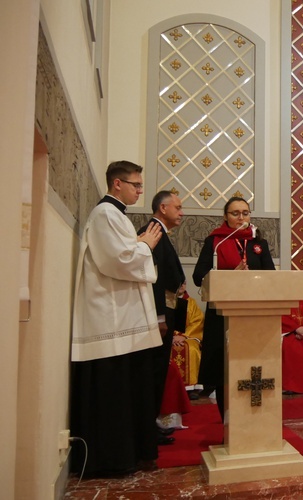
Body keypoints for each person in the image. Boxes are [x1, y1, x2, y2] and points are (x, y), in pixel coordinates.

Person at [70, 160, 163, 476]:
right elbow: (118, 260)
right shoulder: (106, 214)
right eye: (136, 184)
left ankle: (129, 453)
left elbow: (122, 254)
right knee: (112, 394)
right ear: (117, 184)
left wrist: (138, 246)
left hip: (120, 318)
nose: (140, 190)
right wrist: (146, 247)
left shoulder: (115, 215)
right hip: (109, 318)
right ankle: (111, 459)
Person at [192, 197, 275, 420]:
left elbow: (271, 277)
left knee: (252, 369)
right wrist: (230, 277)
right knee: (224, 371)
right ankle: (228, 422)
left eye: (245, 213)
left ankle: (253, 420)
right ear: (225, 217)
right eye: (235, 213)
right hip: (222, 317)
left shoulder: (259, 243)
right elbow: (198, 276)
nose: (241, 218)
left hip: (254, 316)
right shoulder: (216, 242)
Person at [138, 191, 185, 445]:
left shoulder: (160, 232)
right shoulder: (153, 231)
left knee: (158, 372)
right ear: (163, 207)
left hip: (165, 312)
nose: (181, 212)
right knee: (153, 372)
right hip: (159, 315)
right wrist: (158, 317)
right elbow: (152, 279)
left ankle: (151, 424)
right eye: (177, 207)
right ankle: (147, 429)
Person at [171, 283, 204, 398]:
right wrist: (174, 336)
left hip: (188, 337)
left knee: (192, 349)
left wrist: (184, 335)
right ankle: (170, 388)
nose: (182, 286)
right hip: (170, 338)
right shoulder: (166, 302)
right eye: (179, 283)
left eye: (184, 283)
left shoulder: (192, 302)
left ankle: (191, 388)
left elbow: (197, 321)